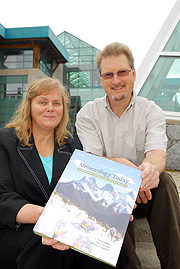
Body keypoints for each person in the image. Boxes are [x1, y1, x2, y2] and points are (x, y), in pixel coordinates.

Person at [75, 42, 180, 269]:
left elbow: (157, 154)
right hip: (110, 195)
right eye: (108, 74)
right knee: (109, 185)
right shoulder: (87, 115)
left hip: (145, 193)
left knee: (165, 182)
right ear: (101, 79)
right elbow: (92, 162)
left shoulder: (151, 111)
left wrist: (149, 171)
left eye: (122, 72)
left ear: (133, 74)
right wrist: (123, 170)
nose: (116, 80)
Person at [0, 77, 109, 269]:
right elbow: (3, 198)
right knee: (45, 241)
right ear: (29, 106)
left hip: (63, 228)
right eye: (42, 102)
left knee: (99, 247)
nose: (50, 108)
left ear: (63, 110)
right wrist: (46, 216)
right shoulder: (6, 141)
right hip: (16, 230)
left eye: (56, 103)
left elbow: (86, 192)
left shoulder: (73, 146)